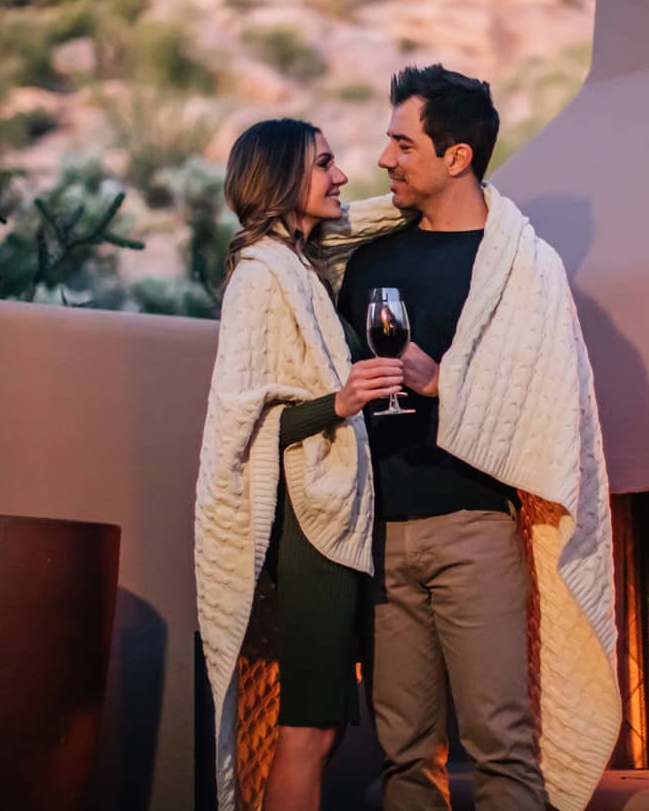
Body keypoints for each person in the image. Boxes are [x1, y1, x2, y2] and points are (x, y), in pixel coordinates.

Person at [338, 66, 621, 811]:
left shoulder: (524, 270)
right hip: (382, 531)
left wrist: (446, 381)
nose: (383, 160)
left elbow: (549, 400)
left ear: (455, 155)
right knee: (402, 752)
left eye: (402, 143)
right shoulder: (366, 260)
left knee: (501, 744)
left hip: (475, 529)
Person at [193, 118, 411, 811]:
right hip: (309, 532)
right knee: (308, 732)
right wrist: (340, 401)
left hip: (332, 522)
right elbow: (247, 421)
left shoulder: (303, 265)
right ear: (284, 180)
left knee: (323, 732)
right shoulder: (261, 276)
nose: (341, 175)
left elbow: (371, 216)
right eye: (324, 164)